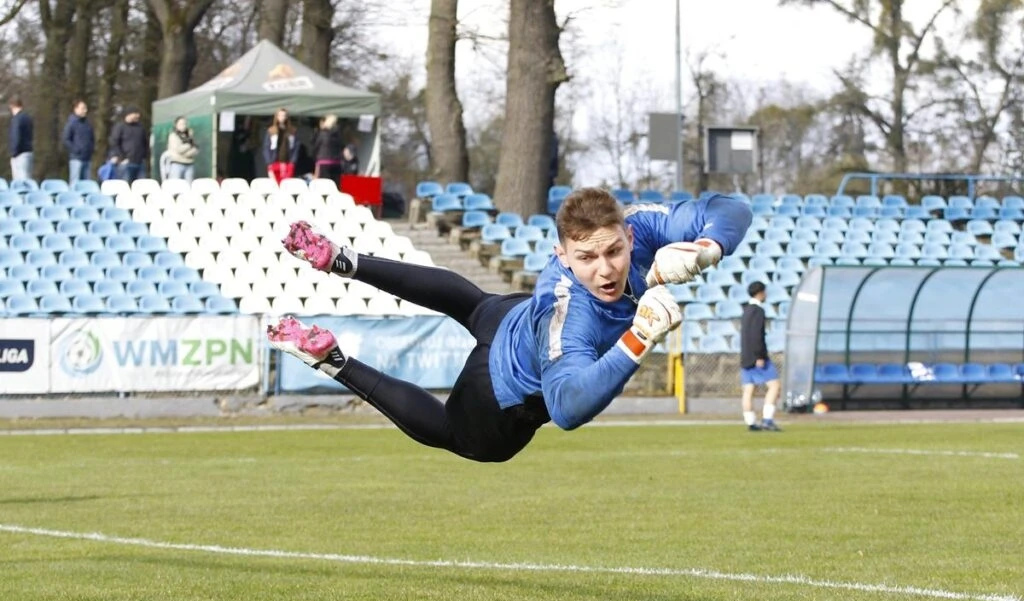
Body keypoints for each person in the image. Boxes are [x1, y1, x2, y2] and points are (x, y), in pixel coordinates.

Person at [267, 188, 752, 462]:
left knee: (472, 303)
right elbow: (566, 407)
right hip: (503, 393)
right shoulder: (570, 313)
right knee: (451, 434)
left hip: (508, 315)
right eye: (586, 258)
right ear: (561, 254)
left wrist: (707, 247)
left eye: (613, 251)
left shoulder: (641, 224)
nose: (605, 269)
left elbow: (732, 208)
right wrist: (638, 337)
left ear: (629, 234)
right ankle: (334, 362)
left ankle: (345, 260)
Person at [740, 281, 782, 432]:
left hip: (745, 356)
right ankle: (767, 420)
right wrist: (759, 355)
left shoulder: (746, 310)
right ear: (760, 293)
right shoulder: (758, 311)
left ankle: (750, 422)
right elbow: (757, 334)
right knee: (774, 385)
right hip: (757, 356)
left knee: (748, 389)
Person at [109, 106, 149, 183]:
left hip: (140, 162)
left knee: (141, 185)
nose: (138, 116)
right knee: (125, 184)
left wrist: (144, 156)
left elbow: (145, 142)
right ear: (129, 114)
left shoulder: (140, 127)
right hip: (126, 162)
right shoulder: (120, 127)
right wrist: (122, 157)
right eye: (136, 114)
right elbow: (114, 143)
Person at [61, 99, 94, 186]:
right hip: (76, 159)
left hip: (87, 158)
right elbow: (66, 139)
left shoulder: (88, 124)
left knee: (87, 184)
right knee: (75, 183)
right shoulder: (71, 123)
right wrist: (76, 150)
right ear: (76, 109)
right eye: (82, 108)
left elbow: (91, 138)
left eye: (85, 108)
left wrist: (90, 149)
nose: (85, 110)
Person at [262, 108, 299, 183]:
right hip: (274, 162)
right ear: (277, 117)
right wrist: (269, 163)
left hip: (288, 163)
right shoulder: (271, 130)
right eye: (280, 115)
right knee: (274, 183)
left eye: (284, 115)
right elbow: (266, 147)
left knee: (286, 183)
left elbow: (296, 147)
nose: (282, 117)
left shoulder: (292, 131)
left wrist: (293, 162)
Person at [166, 116, 199, 183]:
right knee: (176, 186)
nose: (183, 126)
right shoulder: (173, 136)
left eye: (184, 124)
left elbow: (196, 149)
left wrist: (187, 153)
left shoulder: (190, 135)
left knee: (189, 186)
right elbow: (179, 150)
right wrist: (189, 145)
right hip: (177, 164)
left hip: (189, 164)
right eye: (181, 124)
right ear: (176, 125)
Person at [7, 96, 33, 181]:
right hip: (28, 152)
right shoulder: (28, 118)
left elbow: (16, 136)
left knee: (19, 182)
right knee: (27, 179)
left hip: (19, 155)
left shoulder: (16, 119)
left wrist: (13, 153)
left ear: (12, 106)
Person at [311, 115, 343, 183]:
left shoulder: (322, 133)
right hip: (336, 162)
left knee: (323, 184)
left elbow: (316, 147)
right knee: (335, 184)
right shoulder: (338, 135)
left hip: (324, 162)